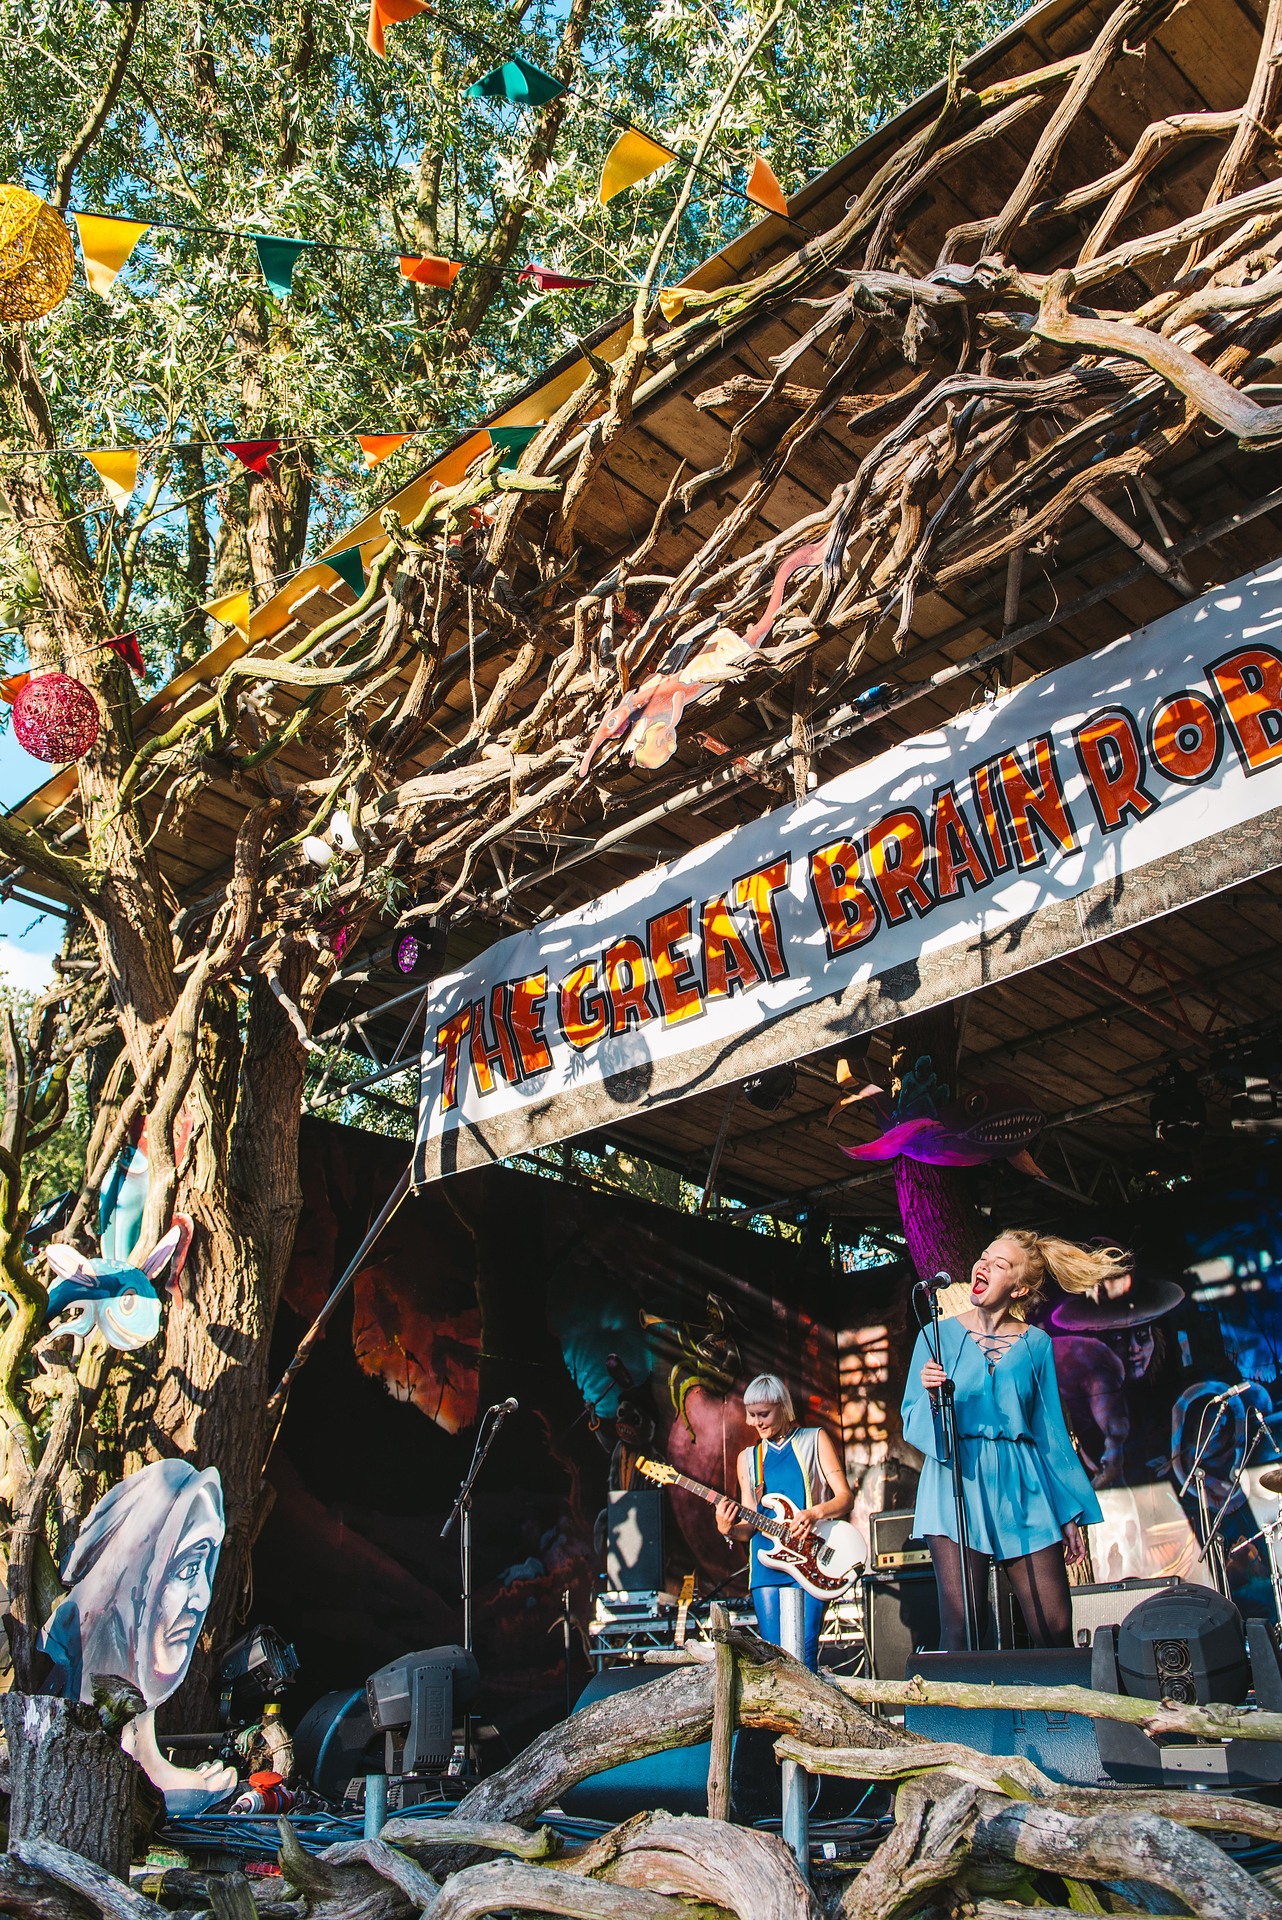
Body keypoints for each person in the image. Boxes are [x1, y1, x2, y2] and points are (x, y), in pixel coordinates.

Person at [901, 1231, 1127, 1652]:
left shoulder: (1036, 1344)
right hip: (955, 1481)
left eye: (999, 1264)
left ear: (1019, 1288)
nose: (983, 1266)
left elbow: (1050, 1432)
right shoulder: (934, 1337)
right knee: (963, 1628)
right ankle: (963, 1700)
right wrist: (933, 1399)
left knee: (1054, 1625)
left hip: (1024, 1486)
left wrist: (1066, 1511)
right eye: (984, 1257)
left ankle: (1063, 1699)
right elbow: (912, 1421)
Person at [714, 1373, 853, 1669]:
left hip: (811, 1558)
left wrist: (814, 1513)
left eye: (763, 1414)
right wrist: (728, 1530)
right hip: (766, 1565)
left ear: (782, 1406)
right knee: (773, 1656)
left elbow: (845, 1498)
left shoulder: (814, 1439)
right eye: (751, 1415)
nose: (756, 1422)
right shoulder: (748, 1458)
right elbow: (749, 1525)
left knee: (804, 1651)